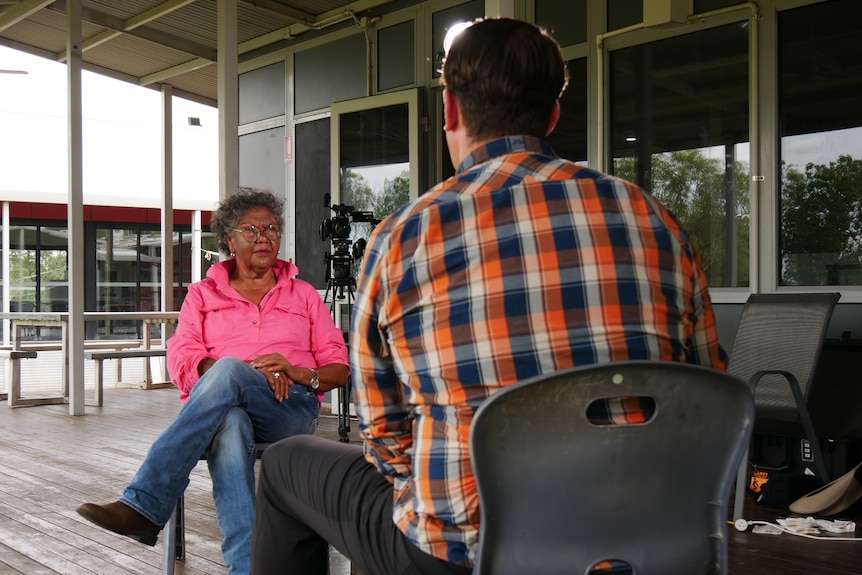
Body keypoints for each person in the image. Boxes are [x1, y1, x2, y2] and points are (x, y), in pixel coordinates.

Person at [249, 17, 727, 575]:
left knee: (285, 466)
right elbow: (705, 391)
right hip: (636, 542)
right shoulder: (653, 219)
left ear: (450, 110)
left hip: (465, 551)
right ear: (552, 113)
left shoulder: (405, 236)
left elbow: (383, 437)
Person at [77, 188, 349, 575]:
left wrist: (297, 372)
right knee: (230, 422)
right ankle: (248, 568)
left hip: (289, 411)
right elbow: (182, 359)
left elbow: (339, 368)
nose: (264, 237)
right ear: (228, 240)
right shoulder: (202, 295)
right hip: (220, 413)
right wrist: (235, 374)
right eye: (251, 230)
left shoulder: (303, 294)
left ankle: (145, 503)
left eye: (271, 228)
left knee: (229, 372)